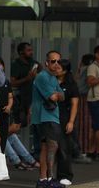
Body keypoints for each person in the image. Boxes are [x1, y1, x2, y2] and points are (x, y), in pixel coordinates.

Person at [31, 51, 64, 188]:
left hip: (49, 117)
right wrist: (57, 94)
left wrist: (58, 94)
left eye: (58, 61)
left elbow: (62, 96)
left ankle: (43, 180)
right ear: (46, 63)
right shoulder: (43, 77)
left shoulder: (53, 78)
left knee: (46, 148)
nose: (56, 64)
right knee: (52, 147)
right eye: (53, 61)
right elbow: (53, 97)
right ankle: (49, 179)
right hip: (45, 118)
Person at [56, 59, 79, 186]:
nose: (56, 68)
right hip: (50, 115)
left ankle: (65, 175)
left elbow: (75, 104)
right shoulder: (50, 81)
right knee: (50, 147)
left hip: (64, 116)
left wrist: (71, 121)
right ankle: (47, 175)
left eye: (58, 67)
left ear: (65, 70)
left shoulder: (70, 84)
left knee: (64, 147)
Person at [10, 42, 39, 127]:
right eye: (28, 50)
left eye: (31, 50)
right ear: (21, 52)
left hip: (32, 98)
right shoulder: (16, 64)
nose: (31, 52)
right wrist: (27, 78)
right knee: (20, 123)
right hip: (21, 100)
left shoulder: (32, 62)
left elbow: (41, 70)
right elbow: (12, 83)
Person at [75, 54, 94, 157]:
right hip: (86, 97)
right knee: (86, 124)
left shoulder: (81, 70)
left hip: (80, 97)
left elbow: (76, 81)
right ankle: (85, 148)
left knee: (81, 123)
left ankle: (82, 148)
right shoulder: (88, 70)